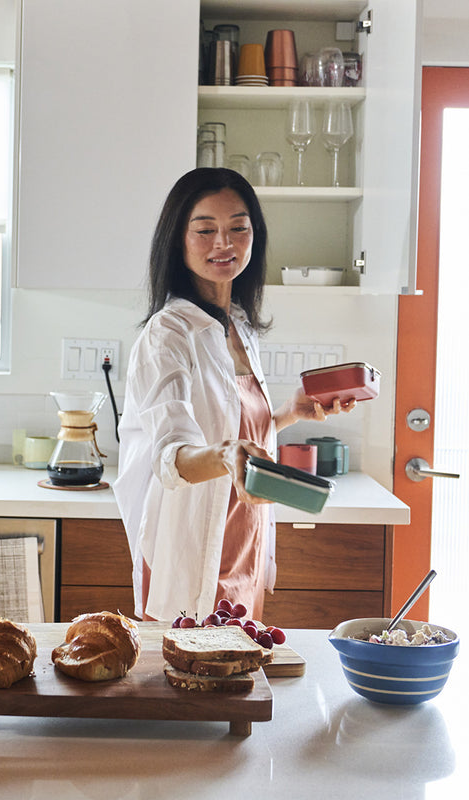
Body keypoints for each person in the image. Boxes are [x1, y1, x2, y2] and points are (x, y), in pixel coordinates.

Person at [114, 167, 355, 623]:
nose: (223, 244)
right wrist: (226, 456)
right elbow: (171, 459)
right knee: (189, 680)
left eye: (238, 228)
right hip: (189, 542)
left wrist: (285, 414)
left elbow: (229, 425)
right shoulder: (168, 333)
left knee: (235, 672)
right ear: (177, 240)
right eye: (205, 230)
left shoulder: (239, 325)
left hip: (243, 536)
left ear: (254, 236)